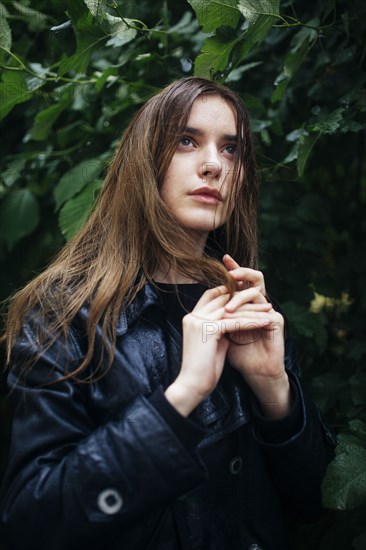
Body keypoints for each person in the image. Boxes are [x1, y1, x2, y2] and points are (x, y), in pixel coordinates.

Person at [0, 77, 337, 550]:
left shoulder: (247, 307)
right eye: (186, 140)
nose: (214, 165)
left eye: (232, 149)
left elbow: (315, 504)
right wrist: (182, 396)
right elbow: (33, 524)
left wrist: (274, 389)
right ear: (145, 160)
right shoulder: (64, 316)